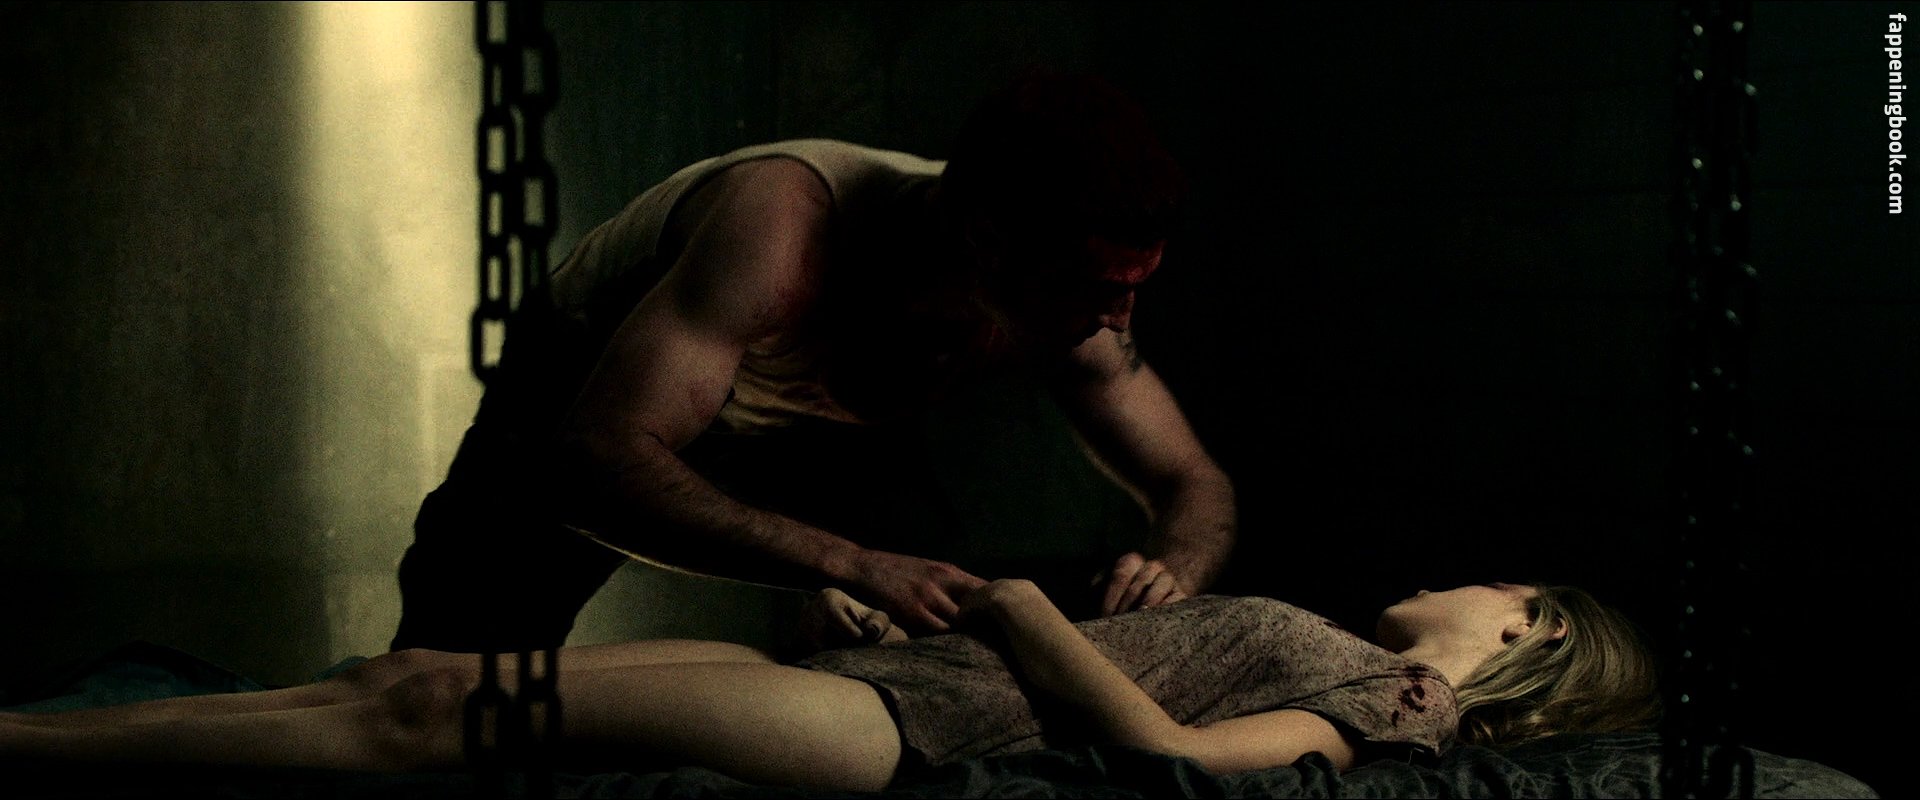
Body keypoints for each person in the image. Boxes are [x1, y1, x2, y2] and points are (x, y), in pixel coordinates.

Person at [390, 68, 1237, 654]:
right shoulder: (780, 232)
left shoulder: (1066, 289)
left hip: (804, 425)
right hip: (587, 406)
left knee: (906, 633)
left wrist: (1171, 576)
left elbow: (1192, 481)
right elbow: (595, 457)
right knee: (457, 658)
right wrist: (851, 564)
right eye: (1097, 289)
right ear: (986, 242)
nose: (1118, 318)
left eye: (1136, 286)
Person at [1, 579, 1663, 792]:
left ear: (1524, 627)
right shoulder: (1374, 664)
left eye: (1498, 575)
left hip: (898, 724)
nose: (1461, 571)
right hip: (886, 669)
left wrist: (1026, 611)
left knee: (433, 720)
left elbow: (1174, 752)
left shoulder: (1411, 706)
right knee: (414, 669)